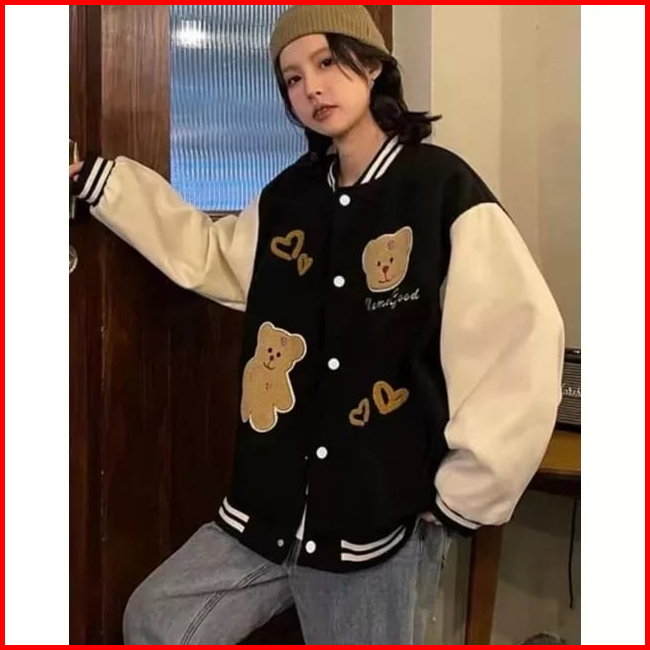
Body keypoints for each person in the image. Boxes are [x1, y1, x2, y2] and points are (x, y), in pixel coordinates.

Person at [69, 5, 565, 645]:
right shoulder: (290, 198)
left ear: (374, 66)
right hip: (268, 507)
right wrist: (96, 183)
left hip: (374, 516)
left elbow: (517, 336)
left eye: (327, 62)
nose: (313, 88)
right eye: (293, 78)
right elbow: (213, 256)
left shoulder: (441, 189)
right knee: (157, 619)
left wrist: (467, 493)